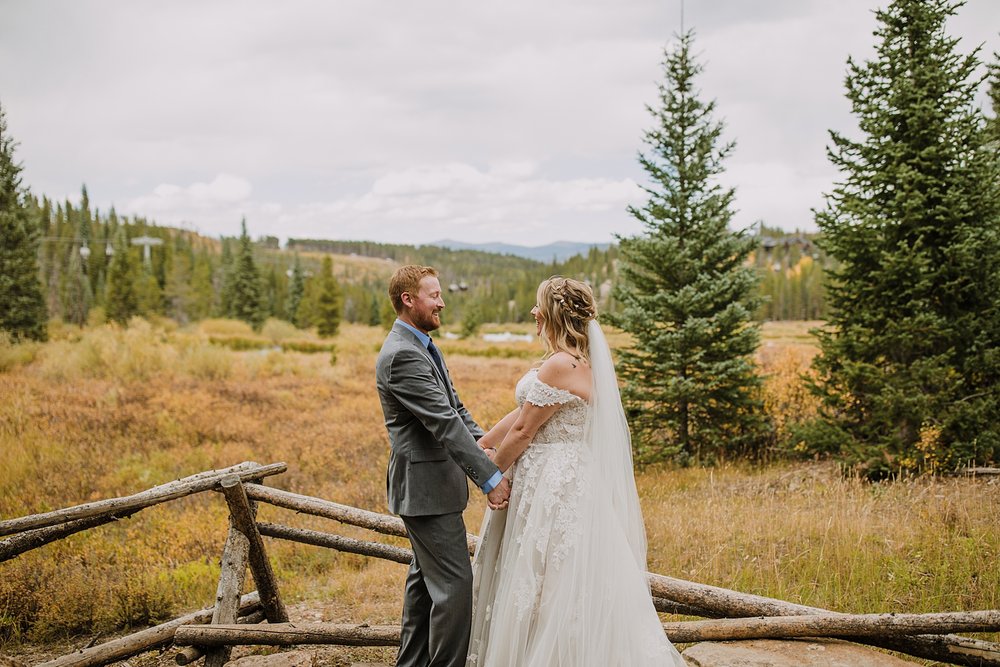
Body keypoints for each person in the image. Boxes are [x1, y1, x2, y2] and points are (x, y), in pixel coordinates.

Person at [466, 277, 686, 666]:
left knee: (553, 575)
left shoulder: (559, 364)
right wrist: (483, 443)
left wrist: (491, 475)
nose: (533, 312)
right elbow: (521, 413)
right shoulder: (569, 361)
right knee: (545, 573)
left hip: (554, 479)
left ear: (553, 313)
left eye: (538, 306)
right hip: (556, 474)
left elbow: (523, 431)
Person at [376, 265, 512, 667]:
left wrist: (486, 447)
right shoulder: (402, 354)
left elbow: (456, 409)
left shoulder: (421, 344)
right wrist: (489, 477)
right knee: (454, 586)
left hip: (431, 489)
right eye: (434, 295)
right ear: (408, 300)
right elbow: (444, 423)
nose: (442, 301)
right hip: (425, 491)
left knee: (423, 587)